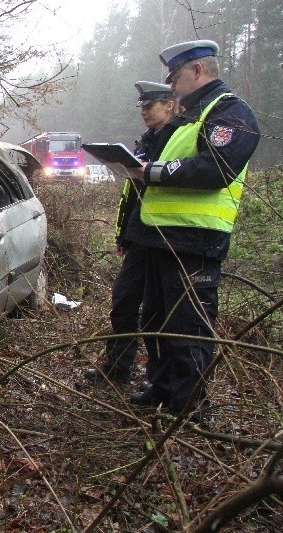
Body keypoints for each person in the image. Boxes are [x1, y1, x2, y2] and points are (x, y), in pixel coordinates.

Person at [126, 40, 260, 423]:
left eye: (175, 77)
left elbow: (215, 169)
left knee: (188, 327)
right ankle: (162, 388)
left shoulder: (231, 112)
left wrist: (149, 172)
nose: (170, 86)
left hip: (196, 242)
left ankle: (188, 408)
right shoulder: (190, 114)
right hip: (160, 238)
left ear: (198, 71)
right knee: (154, 319)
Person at [85, 82, 178, 386]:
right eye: (141, 107)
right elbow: (132, 195)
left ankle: (161, 378)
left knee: (158, 311)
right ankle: (118, 366)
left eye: (149, 107)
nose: (144, 112)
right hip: (140, 236)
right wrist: (123, 235)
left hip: (168, 238)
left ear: (169, 105)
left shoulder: (178, 138)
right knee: (123, 301)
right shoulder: (147, 141)